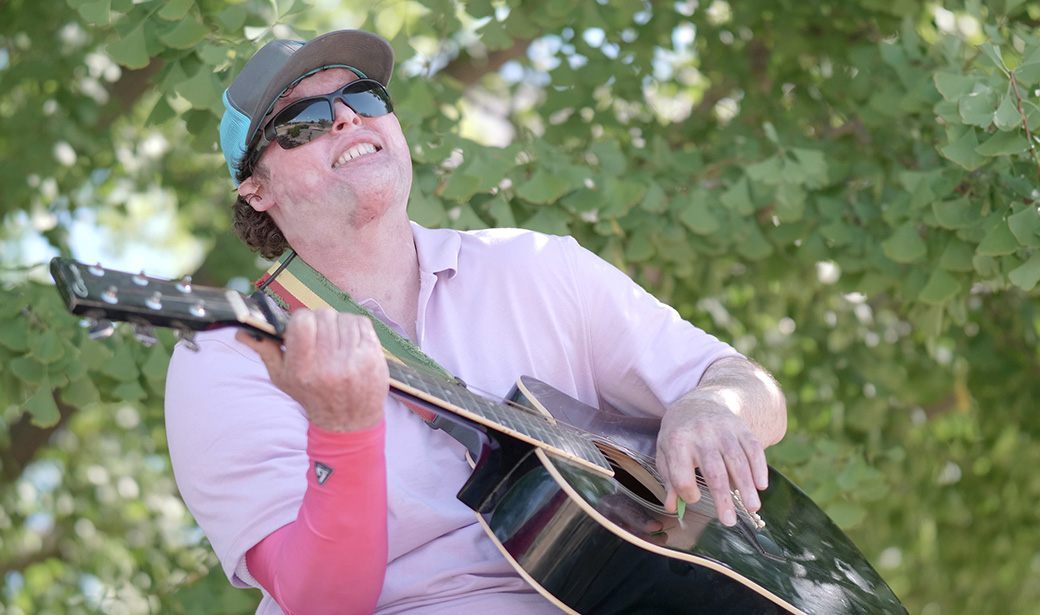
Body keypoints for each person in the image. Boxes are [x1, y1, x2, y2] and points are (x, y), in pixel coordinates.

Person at [164, 29, 788, 615]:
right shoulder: (232, 357)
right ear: (256, 191)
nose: (347, 117)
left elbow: (751, 389)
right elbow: (322, 601)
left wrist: (713, 406)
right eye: (302, 121)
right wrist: (343, 433)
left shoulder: (537, 266)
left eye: (361, 95)